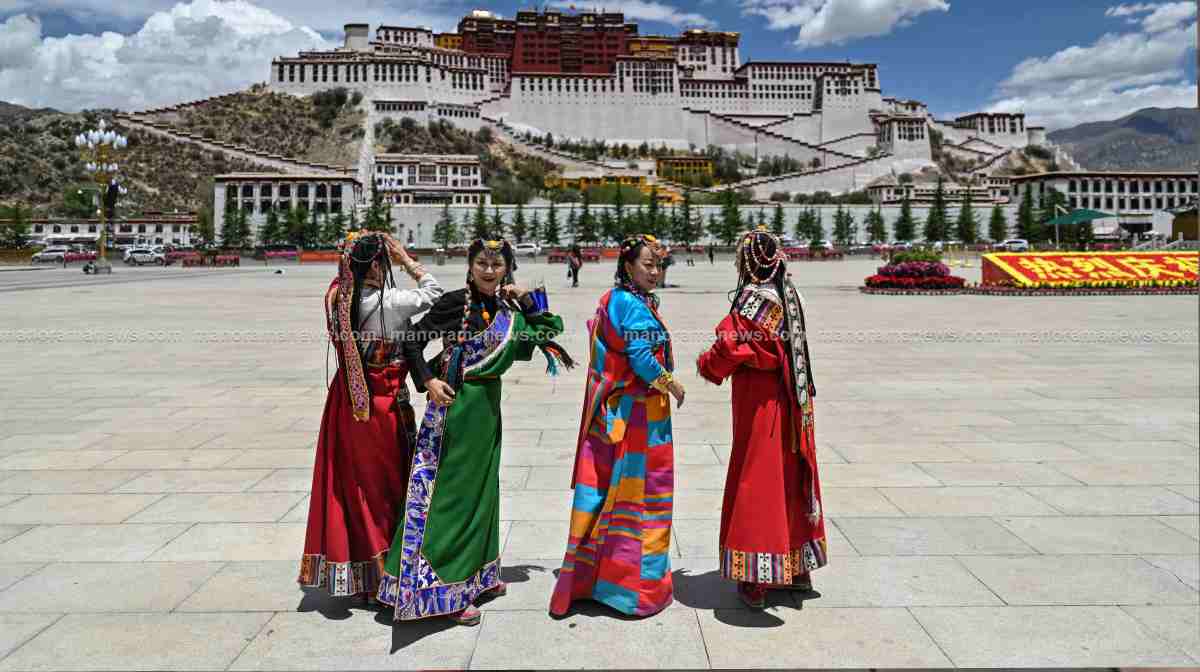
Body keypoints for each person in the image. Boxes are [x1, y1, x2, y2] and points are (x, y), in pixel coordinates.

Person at [378, 239, 573, 626]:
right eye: (482, 262)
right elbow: (412, 341)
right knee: (453, 495)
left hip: (487, 406)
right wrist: (429, 381)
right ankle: (441, 589)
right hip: (457, 406)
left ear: (506, 270)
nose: (488, 270)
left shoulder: (505, 308)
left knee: (483, 490)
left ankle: (478, 575)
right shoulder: (454, 302)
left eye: (497, 264)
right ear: (469, 265)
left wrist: (529, 299)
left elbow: (546, 332)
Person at [299, 231, 442, 601]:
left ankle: (363, 571)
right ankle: (388, 571)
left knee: (356, 484)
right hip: (383, 403)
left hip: (348, 400)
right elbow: (434, 292)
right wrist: (408, 260)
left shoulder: (338, 299)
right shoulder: (389, 301)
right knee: (387, 484)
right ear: (378, 265)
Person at [549, 233, 685, 618]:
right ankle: (636, 591)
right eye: (648, 265)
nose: (655, 272)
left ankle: (594, 579)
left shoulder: (614, 299)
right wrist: (672, 384)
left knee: (608, 496)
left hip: (614, 413)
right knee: (641, 501)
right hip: (641, 418)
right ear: (628, 266)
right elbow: (642, 360)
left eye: (659, 265)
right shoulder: (634, 306)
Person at [696, 227, 827, 609]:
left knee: (759, 480)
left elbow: (729, 348)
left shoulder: (755, 300)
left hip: (763, 402)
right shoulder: (790, 293)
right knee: (790, 475)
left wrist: (706, 366)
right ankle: (797, 567)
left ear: (749, 264)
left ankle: (756, 575)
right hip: (795, 401)